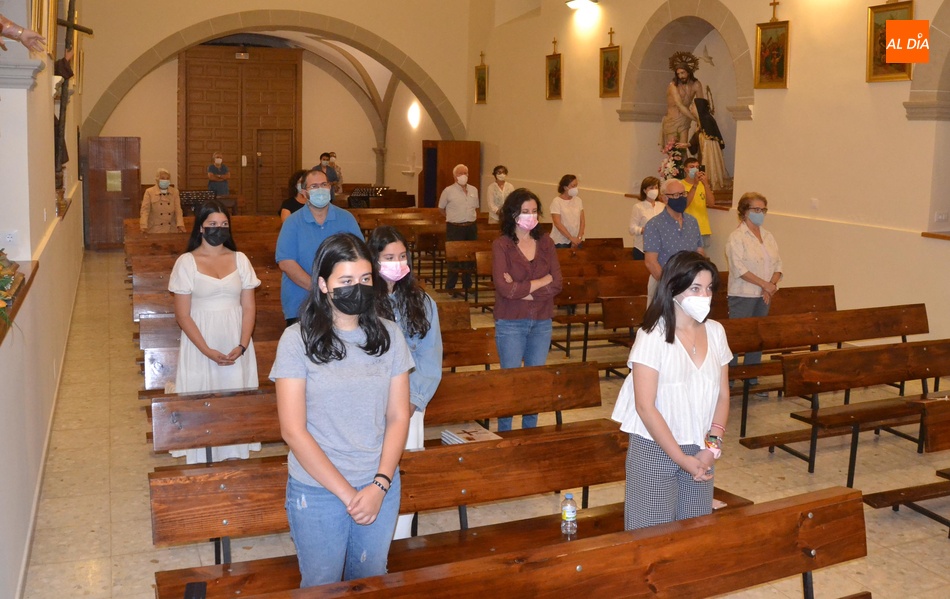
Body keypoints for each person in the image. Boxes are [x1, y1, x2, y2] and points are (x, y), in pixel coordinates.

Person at [270, 233, 412, 587]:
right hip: (318, 488)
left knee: (370, 581)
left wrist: (379, 484)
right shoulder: (296, 340)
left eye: (364, 279)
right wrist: (349, 496)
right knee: (323, 585)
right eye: (345, 281)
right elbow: (293, 430)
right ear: (323, 285)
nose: (357, 289)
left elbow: (398, 416)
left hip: (378, 483)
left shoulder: (390, 336)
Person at [610, 250, 731, 530]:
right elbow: (645, 406)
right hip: (655, 447)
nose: (704, 296)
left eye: (709, 288)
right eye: (695, 288)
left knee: (694, 534)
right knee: (652, 538)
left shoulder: (716, 332)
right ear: (674, 288)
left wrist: (711, 448)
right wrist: (680, 458)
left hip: (701, 449)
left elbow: (723, 396)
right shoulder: (652, 335)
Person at [168, 200, 261, 463]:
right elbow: (183, 314)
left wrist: (242, 346)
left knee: (234, 394)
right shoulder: (186, 262)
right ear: (200, 227)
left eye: (224, 224)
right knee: (203, 395)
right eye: (212, 224)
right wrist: (207, 350)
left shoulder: (240, 259)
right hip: (201, 340)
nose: (218, 229)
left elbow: (249, 307)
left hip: (235, 338)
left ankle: (234, 451)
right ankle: (202, 452)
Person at [367, 225, 443, 539]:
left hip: (409, 404)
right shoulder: (360, 301)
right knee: (371, 474)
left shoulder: (422, 302)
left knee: (405, 473)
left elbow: (430, 359)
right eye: (389, 257)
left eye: (402, 256)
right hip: (369, 405)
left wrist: (411, 402)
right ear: (373, 260)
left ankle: (399, 537)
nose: (397, 263)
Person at [492, 189, 563, 431]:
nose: (530, 216)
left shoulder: (546, 243)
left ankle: (530, 433)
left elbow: (557, 282)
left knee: (534, 383)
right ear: (513, 214)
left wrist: (522, 289)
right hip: (511, 321)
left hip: (542, 321)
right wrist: (541, 282)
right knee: (510, 382)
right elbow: (504, 289)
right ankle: (505, 433)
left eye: (534, 211)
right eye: (525, 211)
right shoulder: (502, 245)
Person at [276, 169, 363, 326]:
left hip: (342, 298)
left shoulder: (346, 218)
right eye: (314, 186)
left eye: (324, 184)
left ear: (330, 187)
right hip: (300, 300)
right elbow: (286, 262)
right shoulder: (292, 222)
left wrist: (337, 289)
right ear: (304, 192)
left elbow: (359, 255)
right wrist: (319, 289)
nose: (320, 189)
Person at [725, 193, 783, 395]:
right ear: (744, 211)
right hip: (743, 294)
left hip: (764, 294)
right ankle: (729, 378)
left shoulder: (768, 236)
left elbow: (778, 264)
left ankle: (751, 377)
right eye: (756, 209)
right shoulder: (736, 237)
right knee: (738, 336)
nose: (760, 213)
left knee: (757, 337)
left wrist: (771, 285)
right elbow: (739, 268)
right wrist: (764, 285)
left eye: (763, 209)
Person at [643, 178, 704, 303]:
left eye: (683, 194)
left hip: (690, 284)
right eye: (676, 195)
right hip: (663, 286)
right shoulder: (654, 225)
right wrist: (670, 287)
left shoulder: (692, 222)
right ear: (665, 198)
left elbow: (700, 252)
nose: (681, 198)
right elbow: (651, 262)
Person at [438, 163, 479, 291]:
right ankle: (451, 285)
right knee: (454, 257)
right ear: (455, 176)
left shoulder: (473, 190)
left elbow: (475, 207)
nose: (463, 175)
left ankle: (468, 284)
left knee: (469, 257)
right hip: (455, 228)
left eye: (465, 173)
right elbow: (441, 209)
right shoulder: (448, 191)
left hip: (470, 227)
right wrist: (453, 217)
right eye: (460, 173)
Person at [661, 52, 704, 146]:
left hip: (685, 120)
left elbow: (701, 104)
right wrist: (696, 119)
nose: (680, 76)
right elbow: (679, 105)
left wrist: (702, 120)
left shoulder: (696, 84)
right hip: (672, 119)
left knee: (682, 148)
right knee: (673, 150)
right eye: (678, 74)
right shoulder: (673, 85)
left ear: (689, 72)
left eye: (683, 73)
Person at [682, 157, 716, 249]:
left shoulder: (702, 185)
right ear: (685, 169)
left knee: (701, 255)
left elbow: (711, 203)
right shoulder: (681, 185)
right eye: (691, 167)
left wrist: (706, 184)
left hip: (703, 228)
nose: (695, 169)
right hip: (687, 228)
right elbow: (684, 205)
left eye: (697, 167)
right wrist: (695, 185)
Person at [629, 176, 665, 260]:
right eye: (651, 188)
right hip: (642, 249)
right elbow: (632, 228)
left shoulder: (662, 206)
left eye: (656, 188)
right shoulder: (638, 207)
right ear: (645, 190)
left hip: (659, 249)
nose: (654, 190)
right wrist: (643, 230)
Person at [140, 168, 185, 234]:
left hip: (171, 228)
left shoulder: (174, 192)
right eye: (163, 178)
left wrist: (180, 224)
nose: (165, 180)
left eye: (167, 178)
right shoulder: (149, 192)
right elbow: (145, 210)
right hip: (155, 229)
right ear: (157, 179)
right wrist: (143, 225)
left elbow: (178, 210)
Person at [550, 174, 585, 249]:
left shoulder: (578, 200)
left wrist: (579, 237)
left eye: (576, 185)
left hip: (577, 239)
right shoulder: (557, 202)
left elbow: (582, 221)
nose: (575, 188)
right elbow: (557, 223)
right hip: (561, 241)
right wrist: (571, 238)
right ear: (565, 187)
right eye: (573, 186)